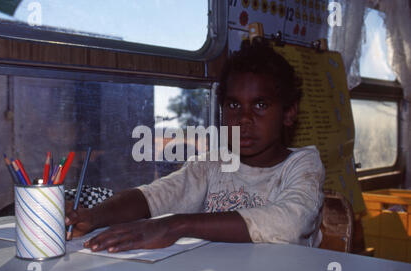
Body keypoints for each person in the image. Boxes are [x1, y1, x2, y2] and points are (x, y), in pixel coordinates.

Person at [65, 41, 325, 253]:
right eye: (234, 105)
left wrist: (177, 225)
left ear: (289, 113)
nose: (244, 118)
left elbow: (290, 223)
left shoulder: (302, 164)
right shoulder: (212, 164)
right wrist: (93, 215)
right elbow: (156, 195)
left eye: (260, 105)